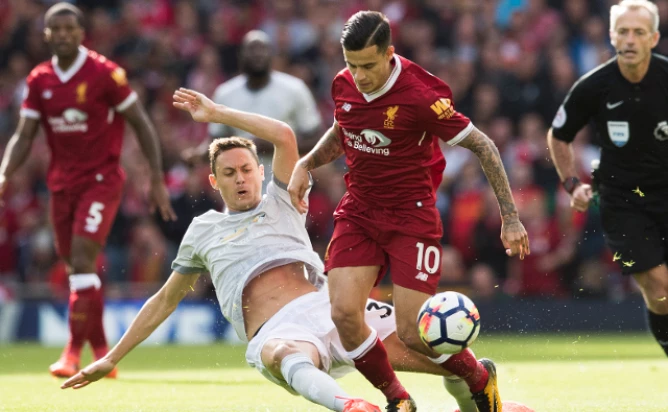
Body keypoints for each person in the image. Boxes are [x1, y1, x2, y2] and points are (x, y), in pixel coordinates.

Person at [61, 88, 481, 412]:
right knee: (285, 357)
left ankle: (475, 390)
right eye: (229, 173)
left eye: (247, 169)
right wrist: (111, 358)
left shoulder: (283, 199)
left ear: (261, 173)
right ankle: (353, 407)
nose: (240, 178)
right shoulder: (203, 231)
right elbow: (164, 300)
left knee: (430, 347)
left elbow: (283, 135)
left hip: (333, 307)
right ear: (214, 182)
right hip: (278, 331)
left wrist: (218, 113)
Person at [288, 11, 530, 412]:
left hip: (410, 218)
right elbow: (344, 129)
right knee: (344, 316)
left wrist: (511, 217)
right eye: (351, 65)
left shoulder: (420, 96)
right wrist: (307, 162)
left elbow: (483, 145)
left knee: (413, 333)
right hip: (360, 211)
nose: (359, 76)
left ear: (389, 54)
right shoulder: (343, 84)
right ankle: (398, 399)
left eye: (368, 66)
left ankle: (477, 377)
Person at [0, 3, 176, 378]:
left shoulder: (105, 73)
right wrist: (4, 174)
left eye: (70, 28)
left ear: (82, 33)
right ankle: (100, 351)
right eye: (56, 29)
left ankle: (71, 354)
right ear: (46, 35)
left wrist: (156, 177)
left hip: (101, 180)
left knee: (81, 259)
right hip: (61, 185)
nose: (63, 34)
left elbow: (141, 123)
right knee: (77, 268)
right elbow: (24, 135)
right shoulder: (39, 79)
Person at [547, 0, 668, 357]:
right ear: (612, 36)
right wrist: (572, 184)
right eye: (623, 32)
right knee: (659, 289)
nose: (630, 39)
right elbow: (558, 136)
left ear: (653, 38)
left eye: (639, 32)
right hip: (623, 202)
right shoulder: (594, 86)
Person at [182, 30, 322, 163]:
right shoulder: (225, 93)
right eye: (251, 49)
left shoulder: (295, 89)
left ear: (271, 55)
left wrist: (278, 146)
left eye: (262, 49)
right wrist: (198, 155)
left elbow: (316, 139)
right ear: (240, 56)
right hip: (240, 176)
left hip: (284, 176)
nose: (257, 54)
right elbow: (215, 140)